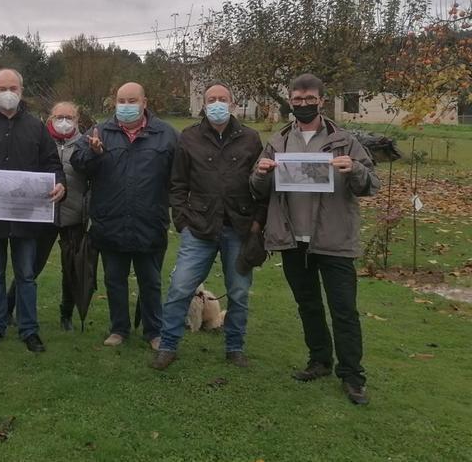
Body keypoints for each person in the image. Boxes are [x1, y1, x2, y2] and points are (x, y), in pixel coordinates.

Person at [250, 73, 380, 405]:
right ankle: (319, 360)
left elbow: (370, 185)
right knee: (307, 304)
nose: (304, 104)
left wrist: (356, 170)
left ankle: (352, 376)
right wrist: (261, 173)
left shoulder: (344, 140)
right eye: (297, 99)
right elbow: (257, 189)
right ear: (289, 101)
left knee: (344, 310)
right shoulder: (278, 141)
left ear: (322, 100)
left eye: (310, 99)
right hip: (294, 239)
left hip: (334, 239)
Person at [151, 82, 265, 371]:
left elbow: (263, 187)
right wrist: (183, 222)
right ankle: (168, 346)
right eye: (211, 99)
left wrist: (256, 226)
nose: (217, 103)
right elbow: (177, 184)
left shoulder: (251, 139)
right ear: (203, 104)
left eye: (222, 99)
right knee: (179, 288)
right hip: (199, 228)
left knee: (238, 292)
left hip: (238, 227)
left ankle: (235, 348)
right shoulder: (189, 138)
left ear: (233, 103)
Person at [0, 68, 66, 352]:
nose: (9, 93)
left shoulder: (36, 127)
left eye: (14, 88)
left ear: (21, 91)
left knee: (26, 275)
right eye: (3, 88)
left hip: (26, 218)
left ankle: (29, 329)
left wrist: (60, 184)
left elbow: (52, 165)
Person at [71, 82, 177, 350]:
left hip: (149, 221)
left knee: (150, 281)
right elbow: (78, 164)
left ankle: (154, 331)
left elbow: (180, 176)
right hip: (111, 221)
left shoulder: (166, 134)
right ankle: (119, 329)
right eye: (121, 100)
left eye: (132, 100)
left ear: (144, 102)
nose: (126, 106)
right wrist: (94, 154)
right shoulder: (99, 131)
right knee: (114, 280)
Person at [5, 101, 93, 331]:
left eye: (69, 117)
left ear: (77, 119)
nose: (64, 121)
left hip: (74, 217)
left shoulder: (86, 144)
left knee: (72, 270)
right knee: (31, 266)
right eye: (59, 116)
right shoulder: (38, 142)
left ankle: (66, 315)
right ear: (50, 118)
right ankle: (8, 307)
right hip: (42, 215)